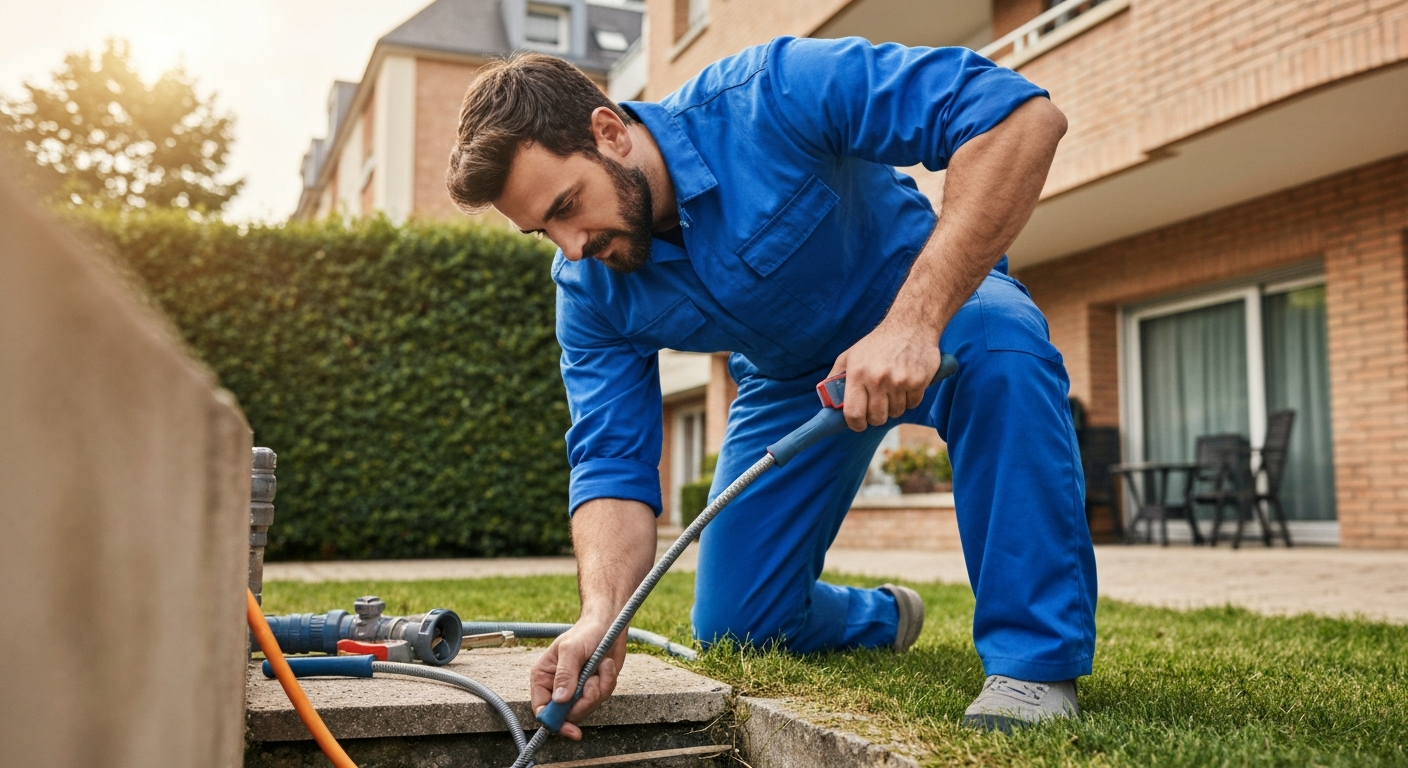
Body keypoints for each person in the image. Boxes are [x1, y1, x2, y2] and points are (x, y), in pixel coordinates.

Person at [446, 37, 1097, 737]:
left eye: (569, 205)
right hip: (792, 382)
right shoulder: (588, 289)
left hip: (930, 309)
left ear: (610, 132)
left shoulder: (773, 92)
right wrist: (601, 619)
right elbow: (610, 463)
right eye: (543, 231)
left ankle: (1033, 667)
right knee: (737, 627)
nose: (571, 246)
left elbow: (1020, 118)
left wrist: (911, 322)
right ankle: (881, 616)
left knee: (1006, 349)